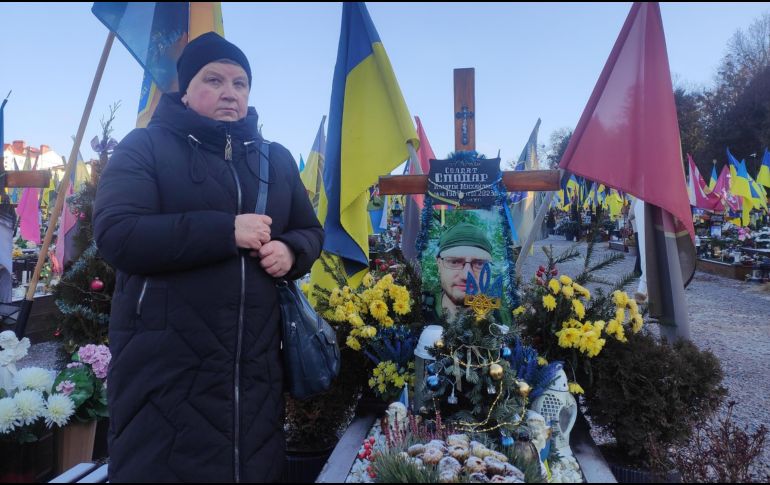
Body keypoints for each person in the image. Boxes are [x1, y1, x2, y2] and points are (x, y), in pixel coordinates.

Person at [93, 32, 323, 482]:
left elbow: (309, 230)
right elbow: (117, 234)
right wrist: (225, 230)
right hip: (164, 372)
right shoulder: (145, 148)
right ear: (185, 89)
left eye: (240, 83)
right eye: (214, 80)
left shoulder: (274, 161)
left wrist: (292, 251)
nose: (229, 93)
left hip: (253, 374)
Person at [432, 222, 493, 320]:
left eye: (479, 264)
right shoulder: (414, 312)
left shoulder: (509, 318)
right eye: (454, 262)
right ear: (439, 265)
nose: (466, 276)